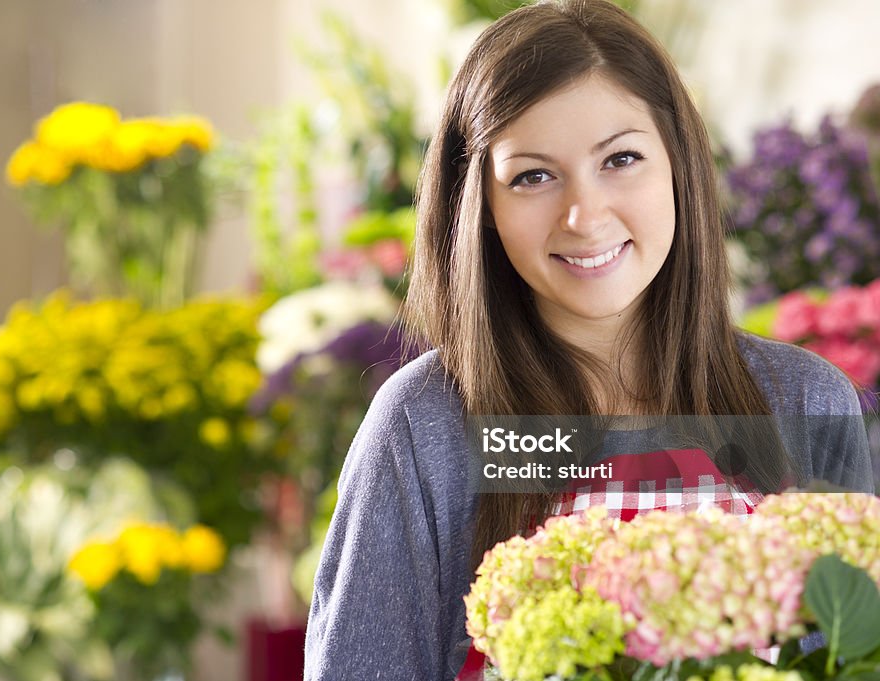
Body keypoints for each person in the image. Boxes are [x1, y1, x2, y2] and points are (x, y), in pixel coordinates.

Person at [303, 1, 875, 680]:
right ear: (479, 208)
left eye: (621, 158)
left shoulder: (804, 401)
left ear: (679, 166)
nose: (584, 215)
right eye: (533, 176)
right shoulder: (424, 428)